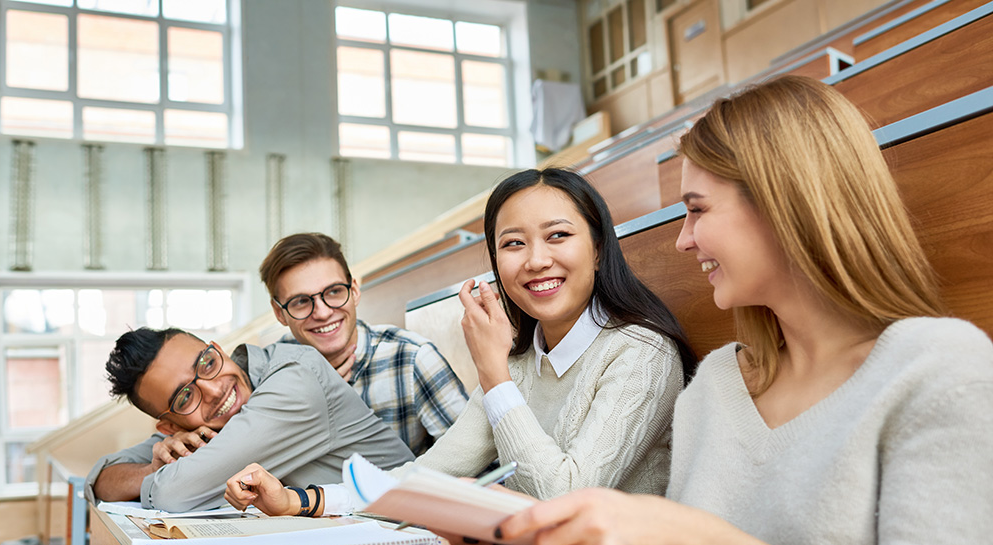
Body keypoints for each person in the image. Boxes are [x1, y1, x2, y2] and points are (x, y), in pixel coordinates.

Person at [493, 76, 993, 545]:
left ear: (785, 204)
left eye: (698, 210)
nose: (683, 240)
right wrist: (523, 539)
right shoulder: (717, 382)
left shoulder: (940, 367)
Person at [224, 168, 698, 514]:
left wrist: (493, 375)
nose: (535, 260)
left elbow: (565, 500)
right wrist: (295, 501)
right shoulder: (517, 364)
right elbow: (427, 475)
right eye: (513, 244)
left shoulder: (641, 354)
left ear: (597, 248)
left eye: (557, 236)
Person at [87, 328, 414, 512]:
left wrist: (166, 474)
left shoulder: (295, 379)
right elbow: (102, 476)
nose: (214, 389)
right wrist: (152, 467)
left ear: (218, 349)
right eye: (184, 397)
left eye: (207, 362)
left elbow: (174, 493)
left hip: (416, 532)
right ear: (171, 426)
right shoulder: (201, 428)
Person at [260, 232, 469, 455]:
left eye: (333, 291)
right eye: (301, 301)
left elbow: (481, 466)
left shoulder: (411, 359)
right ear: (279, 313)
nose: (322, 313)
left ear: (355, 290)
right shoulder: (271, 373)